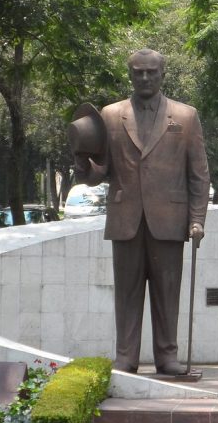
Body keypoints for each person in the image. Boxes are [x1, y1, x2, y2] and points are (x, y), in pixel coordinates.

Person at [70, 48, 210, 375]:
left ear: (163, 74)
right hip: (126, 218)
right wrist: (81, 165)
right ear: (130, 74)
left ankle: (167, 356)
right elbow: (98, 172)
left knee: (167, 292)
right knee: (127, 293)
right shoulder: (109, 115)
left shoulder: (186, 116)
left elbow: (199, 174)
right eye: (138, 72)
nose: (145, 77)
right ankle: (126, 357)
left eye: (151, 72)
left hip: (170, 221)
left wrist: (197, 219)